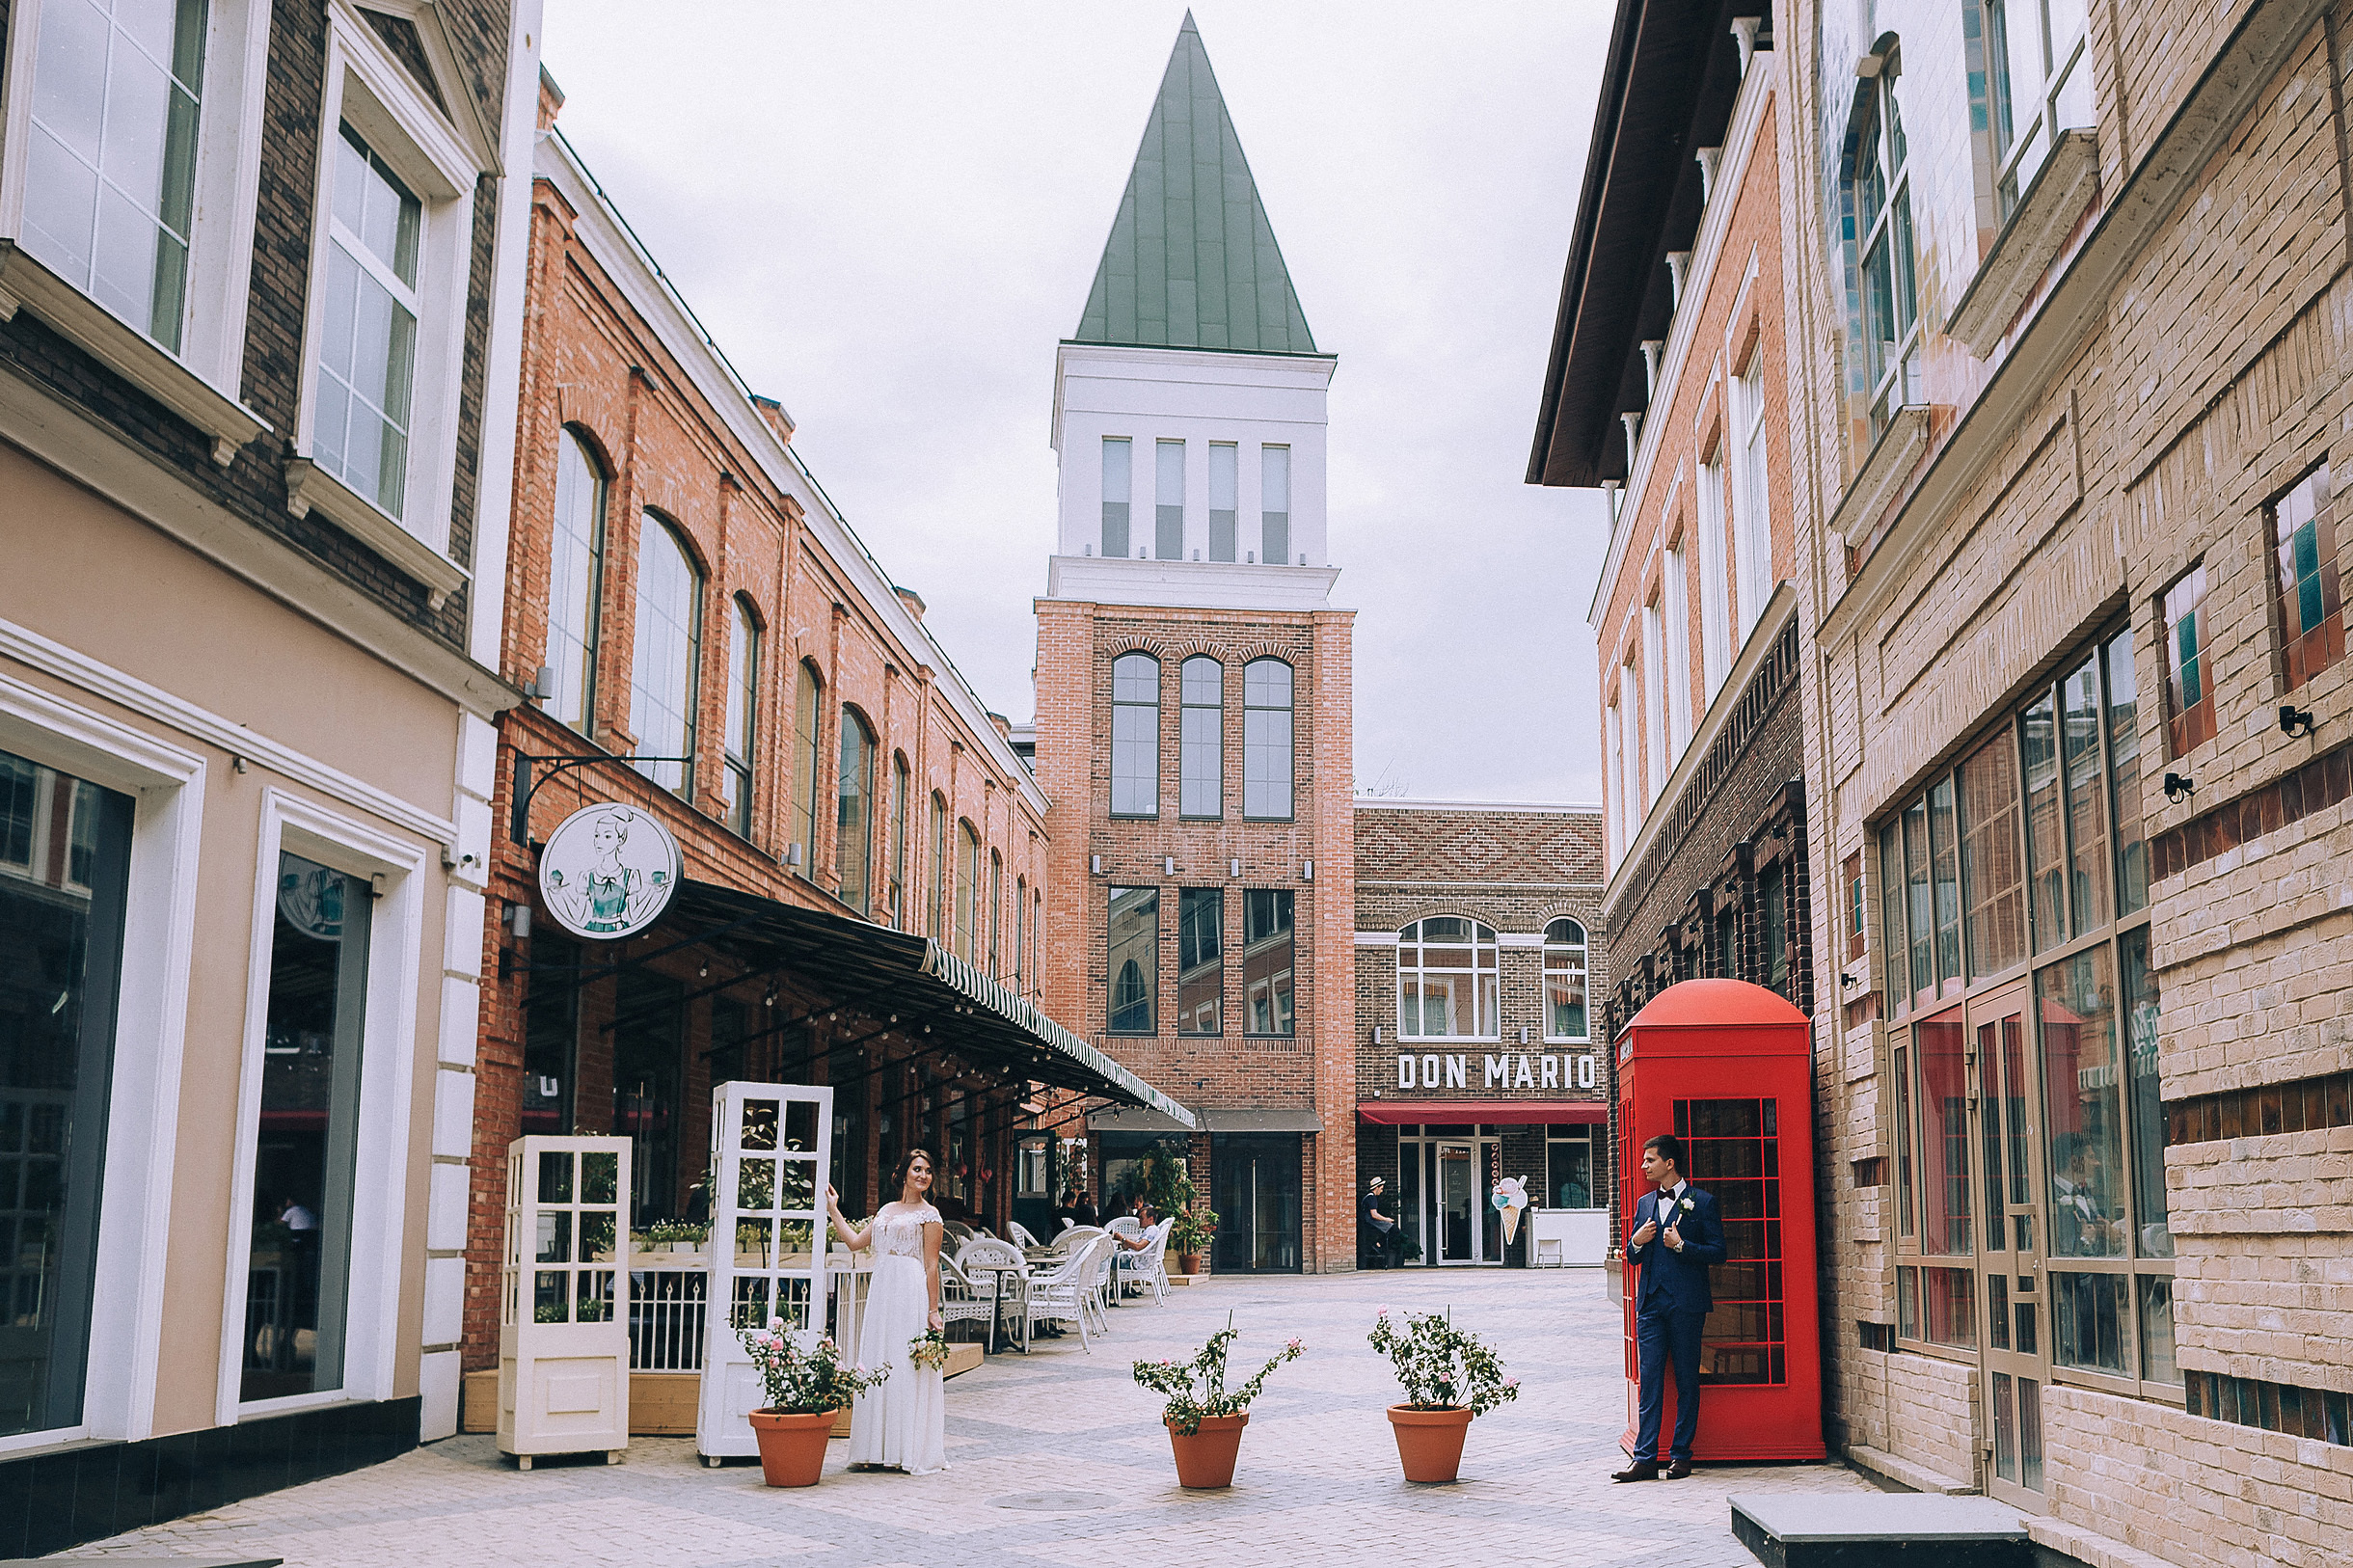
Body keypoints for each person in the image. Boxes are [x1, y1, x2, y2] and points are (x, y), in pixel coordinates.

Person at [825, 1148, 947, 1473]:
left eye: (928, 1171)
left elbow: (931, 1265)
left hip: (910, 1290)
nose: (923, 1175)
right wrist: (833, 1209)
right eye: (917, 1169)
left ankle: (906, 1448)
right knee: (879, 1359)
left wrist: (932, 1310)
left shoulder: (930, 1216)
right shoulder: (886, 1210)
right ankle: (874, 1448)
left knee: (904, 1364)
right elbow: (854, 1242)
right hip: (882, 1291)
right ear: (903, 1172)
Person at [1613, 1132, 1723, 1482]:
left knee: (1687, 1380)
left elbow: (1719, 1252)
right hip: (1650, 1304)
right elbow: (1633, 1257)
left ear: (1669, 1163)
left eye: (1650, 1160)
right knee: (1650, 1382)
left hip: (1687, 1304)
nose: (1643, 1166)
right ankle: (1645, 1458)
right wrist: (1635, 1241)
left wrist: (1682, 1245)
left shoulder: (1702, 1202)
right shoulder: (1645, 1203)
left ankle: (1680, 1455)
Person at [1360, 1177, 1401, 1268]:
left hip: (1367, 1222)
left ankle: (1378, 1244)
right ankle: (1378, 1244)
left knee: (1391, 1229)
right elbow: (1374, 1214)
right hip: (1371, 1222)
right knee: (1394, 1229)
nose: (1382, 1191)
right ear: (1376, 1187)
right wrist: (1386, 1219)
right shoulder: (1372, 1198)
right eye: (1381, 1189)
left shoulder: (1368, 1197)